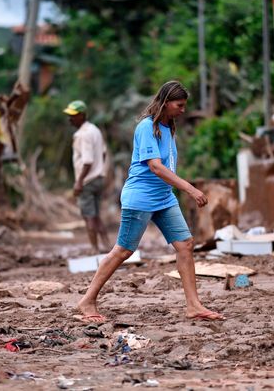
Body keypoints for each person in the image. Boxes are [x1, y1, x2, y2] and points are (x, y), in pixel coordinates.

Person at [76, 81, 224, 322]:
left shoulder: (168, 128)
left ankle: (194, 305)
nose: (183, 110)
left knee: (185, 244)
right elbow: (155, 167)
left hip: (164, 198)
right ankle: (87, 300)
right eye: (180, 105)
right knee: (123, 250)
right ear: (165, 103)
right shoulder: (146, 127)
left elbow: (167, 166)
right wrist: (190, 188)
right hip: (141, 196)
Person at [63, 100, 110, 253]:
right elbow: (103, 153)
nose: (70, 119)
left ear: (82, 115)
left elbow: (87, 161)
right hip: (98, 178)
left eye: (73, 115)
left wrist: (79, 182)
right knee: (96, 215)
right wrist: (100, 169)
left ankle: (94, 249)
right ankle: (107, 246)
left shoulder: (83, 134)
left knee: (88, 216)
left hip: (88, 181)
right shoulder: (95, 130)